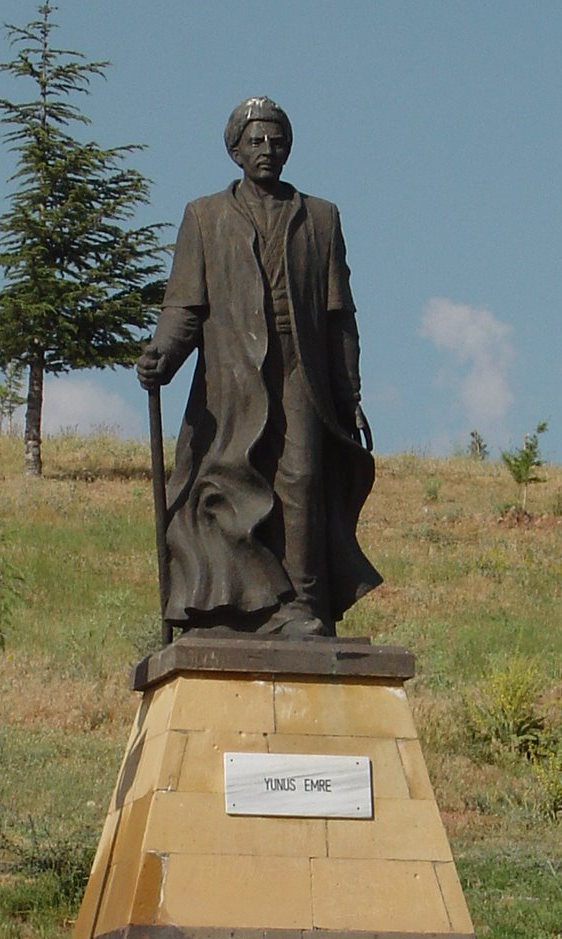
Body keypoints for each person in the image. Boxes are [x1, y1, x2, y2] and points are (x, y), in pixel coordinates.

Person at [137, 97, 381, 638]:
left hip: (301, 368)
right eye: (255, 141)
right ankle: (229, 604)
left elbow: (340, 314)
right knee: (227, 480)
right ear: (234, 150)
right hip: (231, 372)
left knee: (302, 477)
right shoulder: (205, 216)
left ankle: (303, 605)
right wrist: (163, 356)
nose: (266, 150)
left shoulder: (320, 217)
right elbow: (183, 306)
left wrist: (350, 392)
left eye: (275, 141)